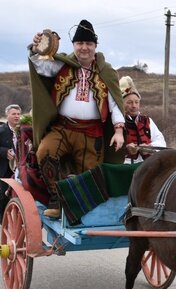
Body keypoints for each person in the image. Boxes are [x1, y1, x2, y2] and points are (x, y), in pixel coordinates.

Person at [28, 19, 126, 218]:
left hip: (92, 133)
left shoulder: (106, 72)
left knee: (90, 175)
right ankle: (56, 199)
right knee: (45, 152)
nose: (84, 48)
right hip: (62, 129)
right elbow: (41, 67)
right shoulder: (62, 64)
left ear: (95, 46)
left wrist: (118, 131)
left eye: (88, 44)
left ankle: (80, 210)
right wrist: (36, 48)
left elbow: (115, 102)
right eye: (80, 44)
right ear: (74, 45)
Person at [119, 76, 166, 163]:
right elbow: (108, 149)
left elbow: (161, 142)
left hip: (146, 167)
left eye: (136, 102)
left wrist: (150, 147)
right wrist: (126, 150)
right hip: (124, 166)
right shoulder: (117, 122)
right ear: (122, 103)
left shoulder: (147, 120)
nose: (134, 105)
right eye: (129, 102)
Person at [0, 104, 21, 224]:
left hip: (21, 168)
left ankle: (19, 218)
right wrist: (5, 152)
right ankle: (3, 217)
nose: (16, 116)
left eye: (18, 114)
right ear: (7, 115)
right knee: (4, 194)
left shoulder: (25, 129)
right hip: (5, 168)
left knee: (21, 195)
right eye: (13, 114)